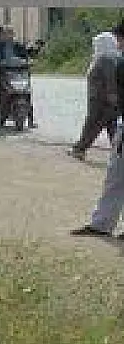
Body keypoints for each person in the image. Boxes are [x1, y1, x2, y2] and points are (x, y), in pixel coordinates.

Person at [69, 22, 124, 238]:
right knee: (115, 176)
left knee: (116, 176)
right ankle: (101, 224)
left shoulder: (116, 62)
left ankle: (102, 224)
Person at [68, 31, 120, 160]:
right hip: (103, 99)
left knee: (93, 126)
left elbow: (110, 80)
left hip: (101, 100)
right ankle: (119, 153)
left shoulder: (105, 59)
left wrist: (112, 95)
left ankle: (79, 149)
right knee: (111, 127)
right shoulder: (111, 58)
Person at [0, 25, 34, 131]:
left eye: (11, 33)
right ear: (3, 34)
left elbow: (26, 57)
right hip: (0, 72)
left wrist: (29, 62)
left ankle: (30, 120)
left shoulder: (18, 45)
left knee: (27, 92)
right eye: (7, 33)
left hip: (17, 73)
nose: (9, 35)